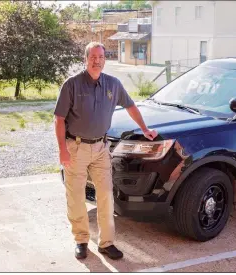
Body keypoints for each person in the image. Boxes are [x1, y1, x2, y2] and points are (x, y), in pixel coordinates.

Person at [54, 42, 158, 260]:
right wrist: (62, 150)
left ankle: (106, 243)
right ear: (86, 59)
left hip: (101, 148)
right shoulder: (71, 85)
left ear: (105, 60)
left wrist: (145, 129)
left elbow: (130, 106)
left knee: (106, 196)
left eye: (101, 57)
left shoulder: (113, 84)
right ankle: (81, 240)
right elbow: (59, 119)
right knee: (76, 197)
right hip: (76, 148)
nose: (97, 60)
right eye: (93, 56)